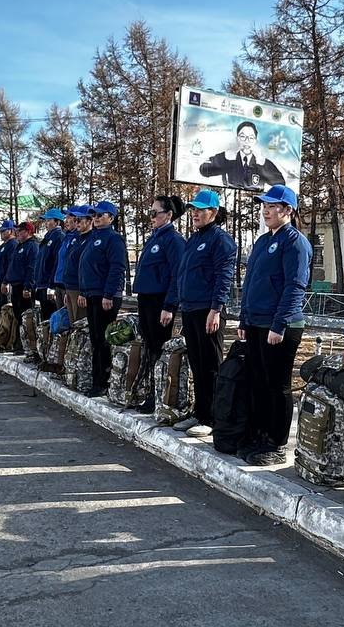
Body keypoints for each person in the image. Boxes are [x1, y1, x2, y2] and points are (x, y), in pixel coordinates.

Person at [236, 185, 312, 465]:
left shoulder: (295, 242)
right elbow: (251, 283)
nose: (266, 211)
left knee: (277, 385)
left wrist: (279, 325)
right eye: (264, 206)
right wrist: (244, 318)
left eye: (273, 206)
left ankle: (277, 442)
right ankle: (259, 434)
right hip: (256, 322)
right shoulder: (261, 241)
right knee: (258, 381)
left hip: (280, 326)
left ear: (288, 210)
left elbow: (295, 287)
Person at [163, 190, 237, 436]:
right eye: (193, 209)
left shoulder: (220, 240)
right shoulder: (194, 239)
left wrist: (216, 309)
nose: (194, 213)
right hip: (191, 308)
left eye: (200, 209)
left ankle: (214, 418)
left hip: (208, 310)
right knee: (196, 363)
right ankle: (200, 412)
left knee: (211, 365)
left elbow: (223, 278)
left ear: (213, 212)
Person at [132, 194, 187, 412]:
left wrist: (169, 305)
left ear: (169, 215)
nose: (151, 216)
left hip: (160, 301)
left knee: (158, 348)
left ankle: (159, 396)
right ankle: (149, 392)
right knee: (148, 346)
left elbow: (177, 275)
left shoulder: (173, 240)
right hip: (146, 298)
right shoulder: (154, 237)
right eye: (150, 212)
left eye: (156, 213)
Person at [77, 200, 129, 396]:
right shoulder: (93, 238)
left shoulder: (113, 239)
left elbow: (117, 268)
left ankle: (103, 382)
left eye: (100, 215)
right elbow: (85, 268)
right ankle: (95, 378)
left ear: (111, 218)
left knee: (103, 339)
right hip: (91, 293)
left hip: (104, 296)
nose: (96, 219)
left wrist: (109, 293)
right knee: (95, 339)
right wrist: (83, 291)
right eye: (94, 216)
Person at [199, 121, 286, 190]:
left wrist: (263, 166)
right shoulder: (228, 157)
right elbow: (203, 170)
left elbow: (281, 184)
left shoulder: (261, 162)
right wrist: (224, 159)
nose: (246, 141)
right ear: (237, 139)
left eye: (251, 138)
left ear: (255, 141)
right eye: (243, 136)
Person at [5, 221, 39, 354]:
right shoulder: (20, 246)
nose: (17, 233)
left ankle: (27, 345)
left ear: (29, 232)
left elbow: (32, 268)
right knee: (18, 316)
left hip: (24, 286)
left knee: (26, 317)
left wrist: (28, 286)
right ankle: (18, 342)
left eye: (21, 231)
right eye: (17, 231)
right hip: (15, 284)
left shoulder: (32, 246)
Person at [33, 208, 66, 323]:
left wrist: (52, 286)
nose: (46, 223)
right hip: (42, 283)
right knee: (44, 317)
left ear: (57, 222)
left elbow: (56, 263)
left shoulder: (59, 237)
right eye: (45, 221)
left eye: (49, 220)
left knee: (51, 317)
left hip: (49, 284)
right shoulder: (47, 237)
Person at [59, 206, 93, 322]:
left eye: (79, 220)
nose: (76, 222)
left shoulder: (91, 239)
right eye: (75, 220)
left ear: (89, 221)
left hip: (79, 288)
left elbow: (87, 268)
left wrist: (83, 291)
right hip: (70, 286)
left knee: (80, 323)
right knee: (72, 324)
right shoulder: (77, 238)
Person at [0, 219, 17, 309]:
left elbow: (11, 265)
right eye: (0, 231)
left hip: (5, 283)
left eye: (3, 231)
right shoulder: (2, 246)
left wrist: (6, 281)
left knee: (6, 309)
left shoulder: (13, 245)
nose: (1, 233)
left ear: (11, 231)